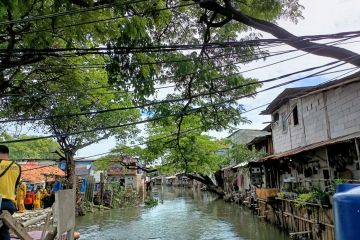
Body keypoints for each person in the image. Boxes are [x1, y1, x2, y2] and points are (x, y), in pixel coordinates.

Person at [0, 145, 21, 240]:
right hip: (10, 205)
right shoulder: (17, 167)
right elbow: (15, 185)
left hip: (0, 203)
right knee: (4, 230)